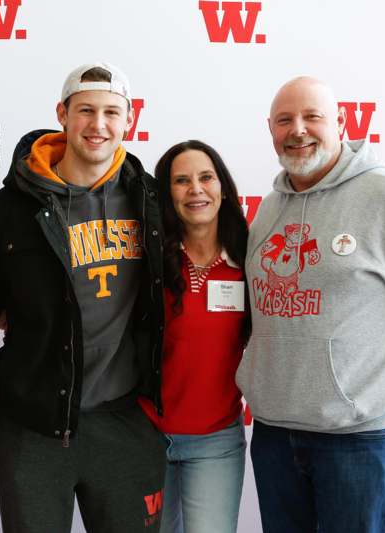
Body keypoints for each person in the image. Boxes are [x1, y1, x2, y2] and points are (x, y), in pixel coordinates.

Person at [236, 76, 385, 533]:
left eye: (313, 116)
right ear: (269, 128)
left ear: (342, 122)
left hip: (360, 441)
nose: (299, 129)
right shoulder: (269, 208)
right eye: (285, 120)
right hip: (273, 435)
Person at [0, 63, 167, 532]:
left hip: (123, 419)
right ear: (62, 114)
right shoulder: (9, 207)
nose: (97, 125)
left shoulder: (150, 199)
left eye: (110, 112)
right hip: (34, 424)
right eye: (85, 110)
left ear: (128, 120)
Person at [139, 140, 249, 533]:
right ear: (167, 194)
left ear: (223, 186)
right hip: (145, 437)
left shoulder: (251, 259)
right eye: (181, 181)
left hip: (216, 442)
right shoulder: (148, 260)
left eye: (206, 177)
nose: (196, 189)